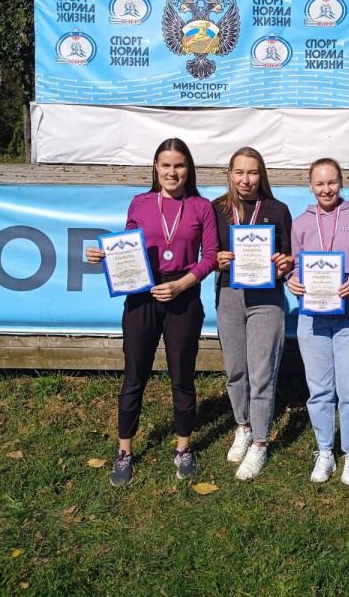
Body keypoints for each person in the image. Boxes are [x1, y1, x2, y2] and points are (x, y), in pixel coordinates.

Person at [86, 138, 218, 486]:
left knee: (182, 376)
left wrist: (181, 285)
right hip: (142, 295)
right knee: (134, 375)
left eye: (179, 165)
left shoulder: (201, 207)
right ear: (155, 168)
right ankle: (124, 451)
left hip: (183, 296)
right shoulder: (141, 203)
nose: (172, 172)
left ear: (189, 169)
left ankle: (183, 448)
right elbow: (128, 249)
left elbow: (209, 258)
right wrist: (106, 256)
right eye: (166, 165)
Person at [287, 158, 349, 486]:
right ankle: (325, 450)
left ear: (341, 182)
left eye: (332, 182)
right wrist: (292, 280)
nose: (326, 189)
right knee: (319, 391)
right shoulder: (301, 223)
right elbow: (294, 266)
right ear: (310, 186)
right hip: (313, 320)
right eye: (320, 183)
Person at [213, 147, 293, 480]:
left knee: (262, 373)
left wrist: (284, 265)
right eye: (239, 172)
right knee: (235, 369)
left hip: (266, 300)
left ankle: (260, 442)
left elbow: (288, 258)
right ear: (230, 174)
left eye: (253, 172)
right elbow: (207, 253)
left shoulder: (277, 210)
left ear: (262, 175)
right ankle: (242, 426)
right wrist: (216, 259)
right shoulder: (217, 209)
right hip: (229, 296)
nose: (246, 180)